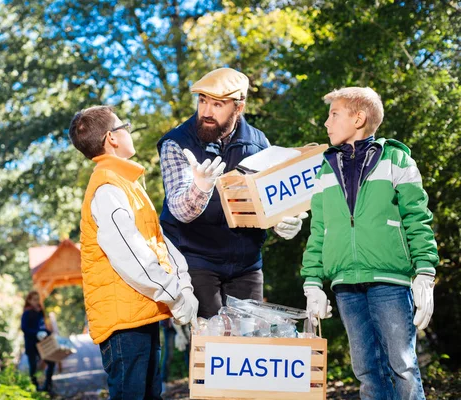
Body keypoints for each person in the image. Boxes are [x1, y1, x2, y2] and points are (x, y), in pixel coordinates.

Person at [301, 87, 438, 399]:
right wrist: (312, 282)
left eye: (334, 114)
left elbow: (417, 218)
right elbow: (318, 229)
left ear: (358, 118)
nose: (326, 122)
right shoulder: (326, 169)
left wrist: (425, 271)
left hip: (389, 280)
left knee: (402, 365)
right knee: (365, 370)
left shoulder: (397, 160)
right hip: (345, 284)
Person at [69, 105, 198, 399]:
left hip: (140, 314)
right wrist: (175, 294)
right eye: (123, 125)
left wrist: (182, 285)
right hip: (124, 325)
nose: (128, 130)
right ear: (111, 138)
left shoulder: (125, 185)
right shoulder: (107, 189)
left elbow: (157, 240)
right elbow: (131, 254)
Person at [157, 67, 307, 318]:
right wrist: (200, 188)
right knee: (210, 345)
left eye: (217, 104)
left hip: (246, 265)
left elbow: (269, 202)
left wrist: (280, 221)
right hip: (195, 260)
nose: (205, 111)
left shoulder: (260, 145)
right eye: (202, 101)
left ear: (239, 107)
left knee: (247, 341)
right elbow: (180, 211)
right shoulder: (176, 143)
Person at [21, 291, 55, 392]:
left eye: (37, 299)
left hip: (42, 344)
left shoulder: (39, 311)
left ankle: (47, 386)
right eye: (34, 299)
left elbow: (42, 326)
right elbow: (24, 328)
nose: (36, 301)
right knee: (33, 367)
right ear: (29, 300)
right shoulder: (27, 312)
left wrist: (48, 333)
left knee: (51, 362)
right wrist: (36, 333)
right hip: (31, 344)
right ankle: (35, 388)